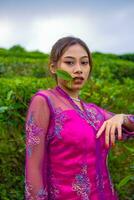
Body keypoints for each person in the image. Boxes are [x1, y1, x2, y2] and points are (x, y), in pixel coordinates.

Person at [25, 36, 134, 200]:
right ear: (54, 67)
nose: (78, 69)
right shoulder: (45, 101)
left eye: (84, 63)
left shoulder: (94, 112)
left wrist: (121, 118)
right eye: (69, 62)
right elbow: (33, 165)